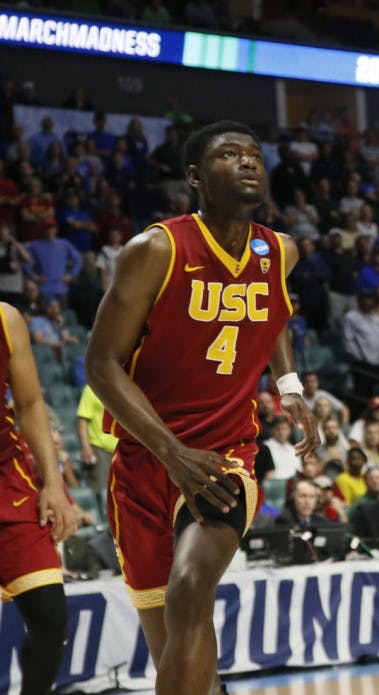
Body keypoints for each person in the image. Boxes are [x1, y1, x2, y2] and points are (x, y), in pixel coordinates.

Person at [85, 120, 319, 695]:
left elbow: (276, 312)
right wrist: (171, 454)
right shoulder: (155, 249)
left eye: (255, 155)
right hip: (145, 464)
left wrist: (288, 383)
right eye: (229, 155)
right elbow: (100, 364)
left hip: (225, 457)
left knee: (193, 588)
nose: (248, 162)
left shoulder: (279, 250)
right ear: (195, 177)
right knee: (179, 657)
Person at [0, 301, 79, 695]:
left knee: (50, 618)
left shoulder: (5, 318)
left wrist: (53, 484)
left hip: (8, 483)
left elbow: (30, 404)